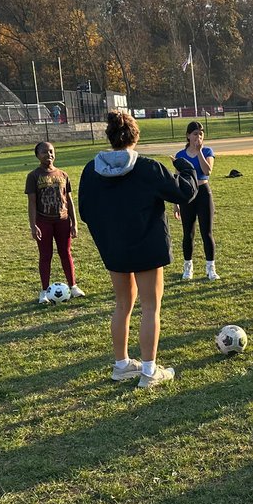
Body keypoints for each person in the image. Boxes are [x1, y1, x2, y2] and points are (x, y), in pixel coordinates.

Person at [79, 111, 198, 388]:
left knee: (122, 305)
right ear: (136, 136)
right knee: (150, 308)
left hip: (114, 247)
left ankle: (121, 365)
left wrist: (109, 231)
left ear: (109, 136)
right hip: (147, 245)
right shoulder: (147, 167)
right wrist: (186, 167)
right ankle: (148, 371)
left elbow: (85, 210)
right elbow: (185, 192)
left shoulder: (90, 170)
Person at [25, 141, 83, 305]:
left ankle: (73, 286)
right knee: (45, 256)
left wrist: (74, 222)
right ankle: (44, 291)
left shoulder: (63, 175)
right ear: (37, 155)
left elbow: (69, 200)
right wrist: (33, 225)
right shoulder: (34, 176)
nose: (48, 155)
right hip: (43, 222)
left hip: (62, 221)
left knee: (66, 253)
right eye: (44, 152)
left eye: (51, 151)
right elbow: (32, 202)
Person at [173, 121, 219, 280]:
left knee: (207, 233)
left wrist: (199, 152)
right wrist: (176, 203)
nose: (198, 137)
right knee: (188, 233)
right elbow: (177, 178)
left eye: (200, 134)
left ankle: (210, 268)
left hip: (203, 193)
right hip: (187, 195)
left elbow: (208, 171)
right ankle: (188, 267)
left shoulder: (207, 151)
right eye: (195, 134)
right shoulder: (180, 155)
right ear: (188, 136)